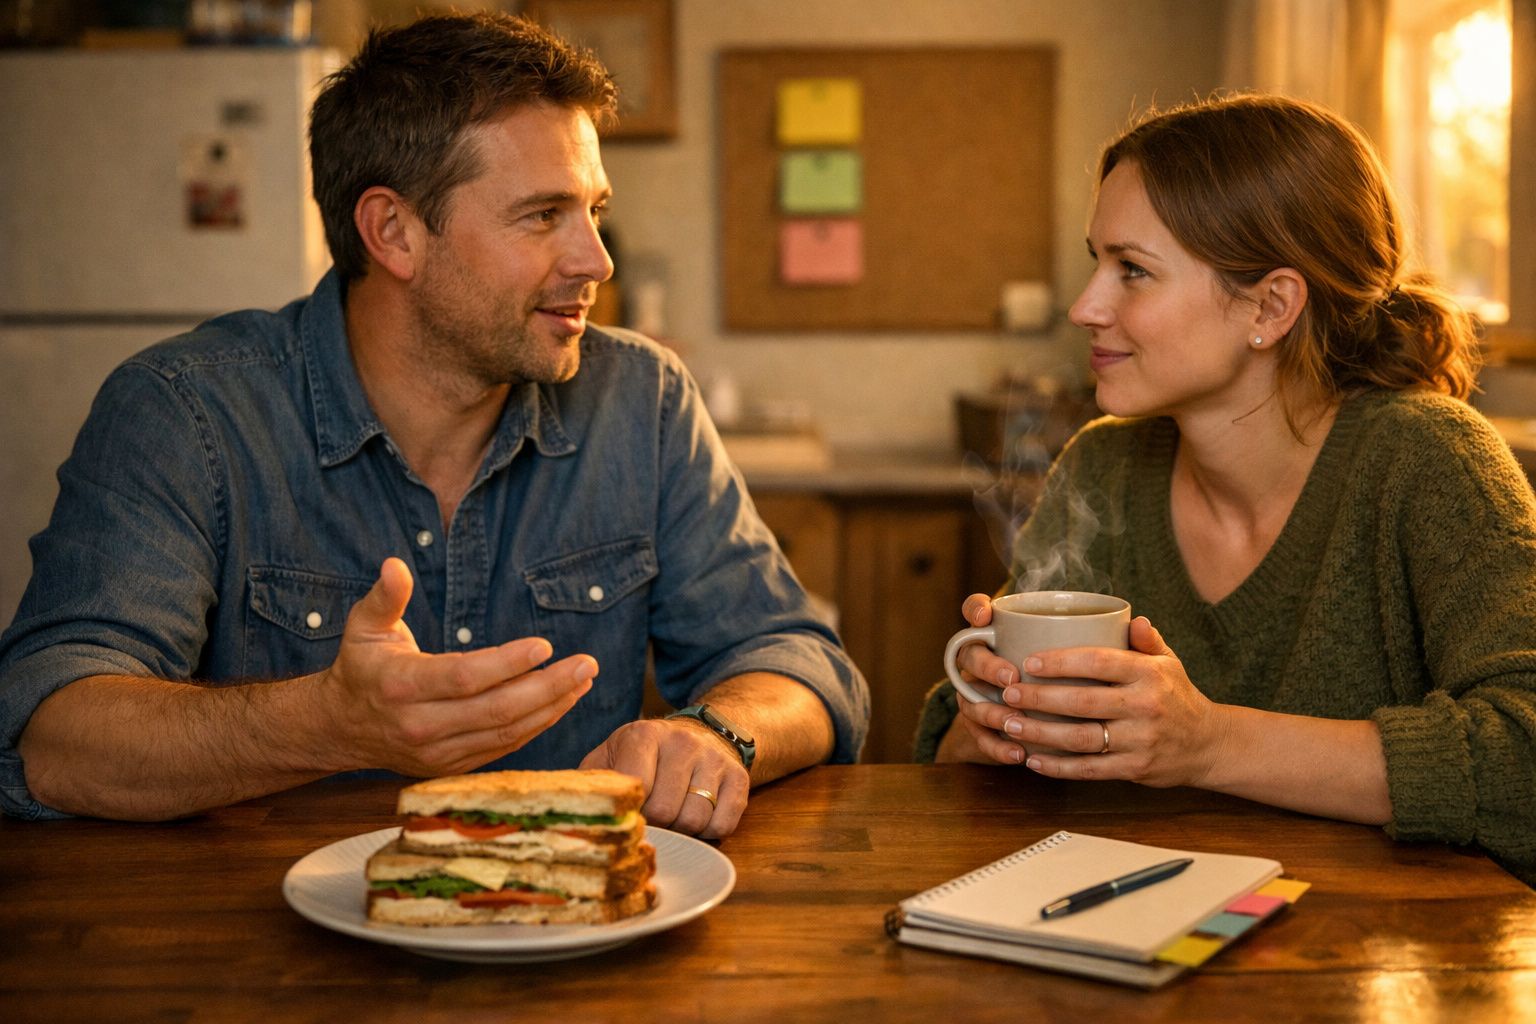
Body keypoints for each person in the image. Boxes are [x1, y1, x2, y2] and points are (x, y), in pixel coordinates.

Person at [0, 12, 868, 838]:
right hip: (258, 929)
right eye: (543, 215)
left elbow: (800, 663)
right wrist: (322, 725)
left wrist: (718, 734)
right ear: (394, 233)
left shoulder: (643, 400)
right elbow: (49, 734)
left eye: (594, 211)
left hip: (574, 918)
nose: (596, 261)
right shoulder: (185, 411)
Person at [916, 93, 1536, 885]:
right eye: (1097, 261)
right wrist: (993, 715)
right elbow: (942, 754)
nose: (1085, 306)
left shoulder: (1430, 463)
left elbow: (1524, 760)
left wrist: (1208, 743)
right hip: (1131, 928)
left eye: (1132, 270)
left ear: (1270, 306)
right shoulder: (1103, 467)